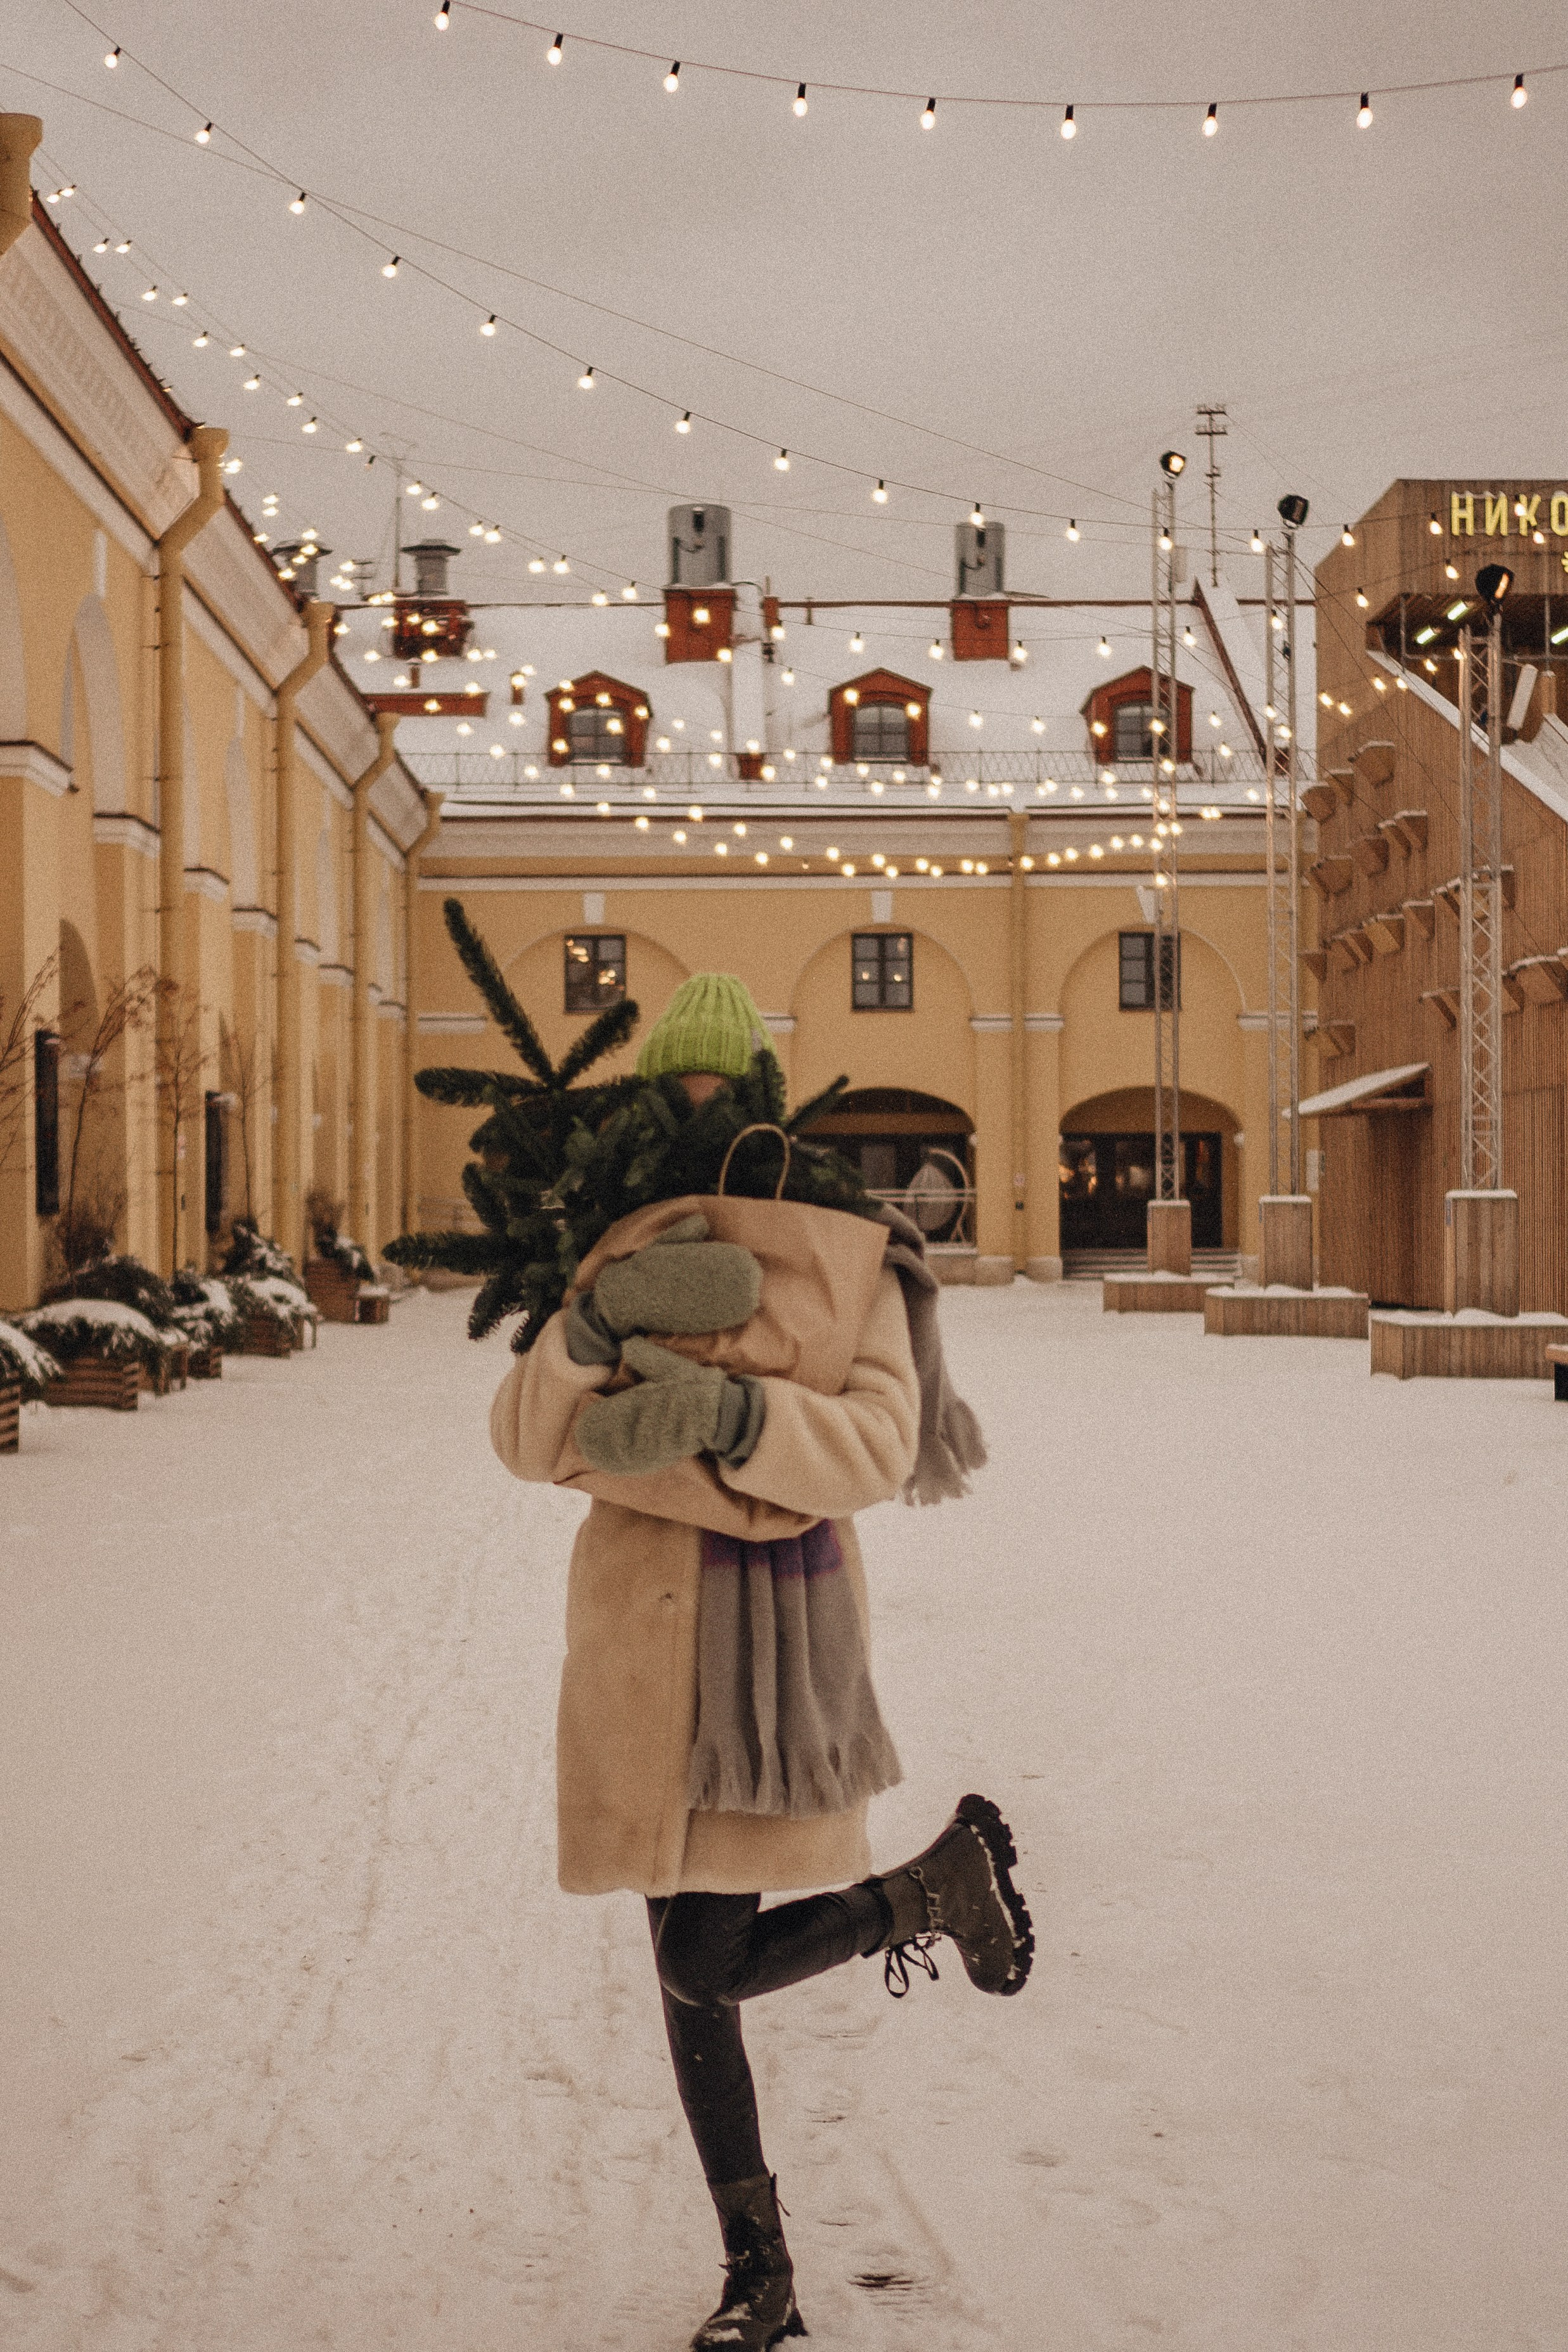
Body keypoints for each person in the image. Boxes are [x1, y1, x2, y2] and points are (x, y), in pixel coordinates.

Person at [490, 972, 1032, 2351]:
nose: (693, 1115)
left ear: (759, 1100)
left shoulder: (845, 1257)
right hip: (632, 1644)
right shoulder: (616, 1255)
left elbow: (869, 1447)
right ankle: (759, 2273)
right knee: (687, 1970)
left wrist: (733, 1410)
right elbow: (526, 1437)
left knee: (707, 1960)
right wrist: (589, 1335)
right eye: (671, 1093)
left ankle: (926, 1885)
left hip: (769, 1656)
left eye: (716, 1091)